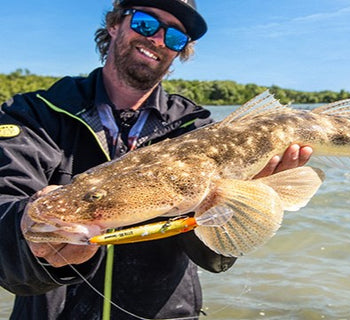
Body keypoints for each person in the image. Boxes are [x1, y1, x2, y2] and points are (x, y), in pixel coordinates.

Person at [0, 0, 312, 319]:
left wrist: (232, 202)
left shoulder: (201, 130)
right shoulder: (33, 114)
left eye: (176, 37)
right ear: (114, 24)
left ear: (180, 53)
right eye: (146, 23)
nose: (158, 40)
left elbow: (215, 258)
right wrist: (27, 230)